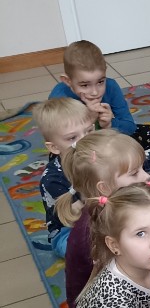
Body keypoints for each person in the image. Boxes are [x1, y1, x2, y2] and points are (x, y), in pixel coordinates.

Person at [59, 130, 150, 308]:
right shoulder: (95, 230)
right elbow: (136, 271)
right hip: (122, 302)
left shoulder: (122, 208)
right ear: (104, 188)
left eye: (142, 168)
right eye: (134, 173)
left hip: (141, 266)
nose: (145, 176)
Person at [48, 39, 150, 169]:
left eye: (100, 82)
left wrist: (110, 124)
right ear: (68, 81)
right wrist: (89, 120)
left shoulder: (111, 87)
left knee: (148, 133)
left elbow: (129, 126)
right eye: (85, 85)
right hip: (79, 148)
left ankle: (114, 165)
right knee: (58, 159)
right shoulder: (59, 97)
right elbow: (60, 138)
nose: (95, 92)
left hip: (108, 142)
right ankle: (130, 162)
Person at [32, 97, 94, 257]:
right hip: (68, 229)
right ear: (54, 147)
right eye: (72, 138)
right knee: (81, 249)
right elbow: (76, 216)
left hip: (103, 214)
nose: (85, 141)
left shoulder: (97, 154)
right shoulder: (52, 179)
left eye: (89, 131)